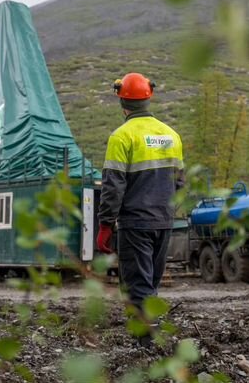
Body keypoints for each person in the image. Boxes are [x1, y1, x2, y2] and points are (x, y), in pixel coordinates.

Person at [96, 72, 184, 344]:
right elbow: (180, 183)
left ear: (121, 99)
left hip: (135, 223)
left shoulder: (121, 137)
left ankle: (147, 344)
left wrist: (105, 224)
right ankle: (151, 339)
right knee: (151, 284)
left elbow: (113, 186)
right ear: (150, 96)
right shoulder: (172, 135)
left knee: (137, 286)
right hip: (163, 221)